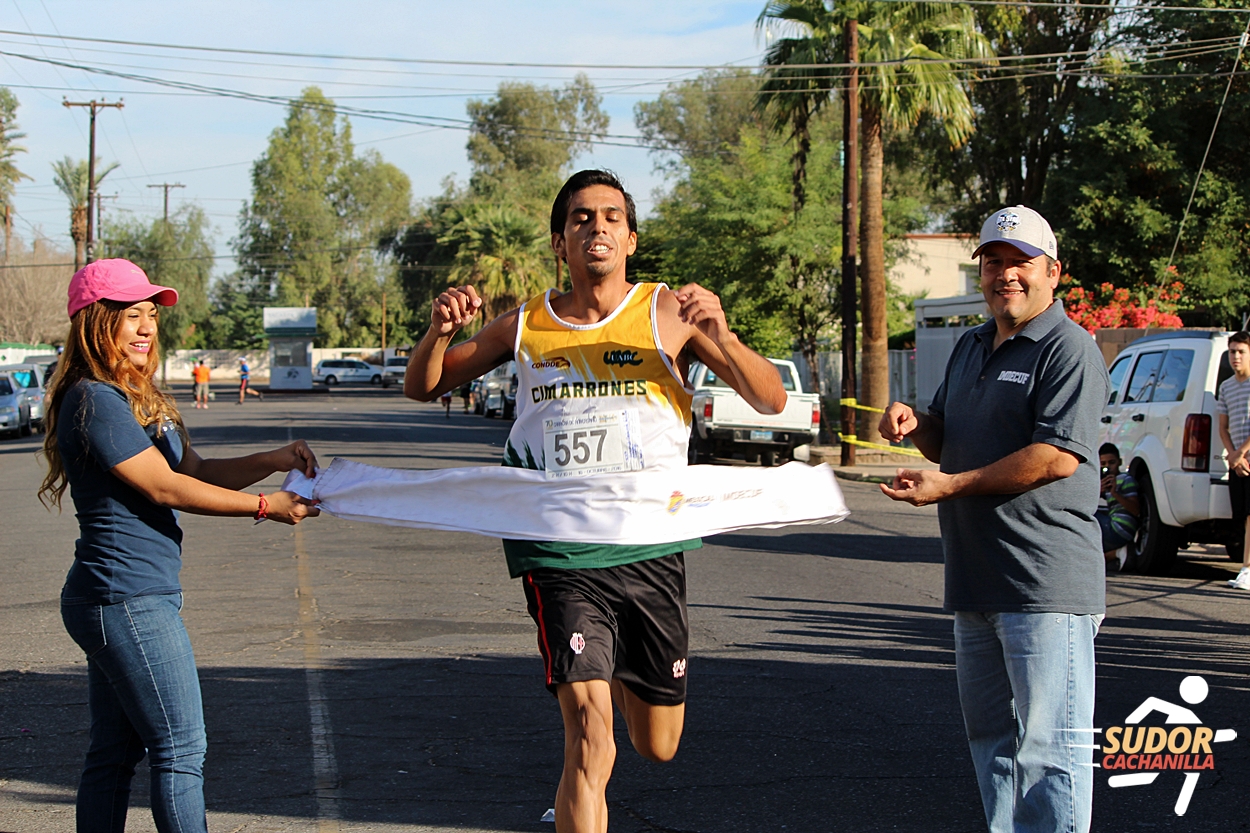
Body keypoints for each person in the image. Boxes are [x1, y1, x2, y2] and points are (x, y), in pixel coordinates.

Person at [404, 169, 786, 833]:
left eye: (611, 217)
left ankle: (616, 674)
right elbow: (424, 385)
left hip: (651, 547)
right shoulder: (526, 324)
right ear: (561, 242)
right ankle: (589, 713)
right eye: (582, 218)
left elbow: (770, 399)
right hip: (560, 550)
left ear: (631, 238)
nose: (597, 228)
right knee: (589, 732)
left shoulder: (668, 314)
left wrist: (720, 333)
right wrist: (438, 331)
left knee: (657, 743)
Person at [40, 258, 320, 833]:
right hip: (125, 597)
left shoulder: (133, 398)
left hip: (126, 596)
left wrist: (272, 462)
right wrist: (268, 507)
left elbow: (195, 470)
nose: (146, 327)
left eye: (150, 315)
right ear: (95, 322)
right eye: (131, 315)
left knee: (114, 756)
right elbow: (165, 486)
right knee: (181, 749)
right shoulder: (93, 399)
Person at [877, 206, 1109, 833]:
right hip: (976, 581)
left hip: (1044, 585)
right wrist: (913, 424)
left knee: (1050, 754)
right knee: (993, 746)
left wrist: (950, 486)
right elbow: (945, 437)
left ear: (1052, 272)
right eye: (995, 262)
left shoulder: (1070, 349)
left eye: (1020, 262)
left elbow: (1057, 457)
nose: (1006, 274)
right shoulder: (971, 345)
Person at [1219, 331, 1250, 589]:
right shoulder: (1226, 386)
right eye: (1232, 352)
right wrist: (1233, 455)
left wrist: (1242, 452)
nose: (1236, 357)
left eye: (1241, 352)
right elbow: (1222, 427)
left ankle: (1247, 568)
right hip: (1237, 462)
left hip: (1247, 457)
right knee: (1241, 515)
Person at [1096, 442, 1139, 571]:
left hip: (1120, 528)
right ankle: (1112, 554)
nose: (1108, 467)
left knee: (1085, 518)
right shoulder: (1106, 481)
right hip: (1115, 527)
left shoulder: (1125, 479)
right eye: (1103, 464)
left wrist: (1115, 493)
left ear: (1119, 462)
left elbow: (1136, 510)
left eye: (1111, 462)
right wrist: (1098, 491)